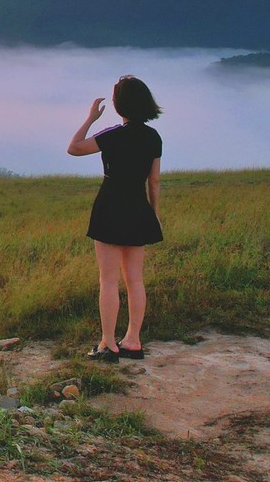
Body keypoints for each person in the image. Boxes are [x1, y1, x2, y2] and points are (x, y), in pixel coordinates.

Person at [66, 75, 163, 362]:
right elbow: (154, 181)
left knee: (108, 280)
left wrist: (90, 119)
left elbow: (74, 148)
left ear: (120, 106)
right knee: (135, 280)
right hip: (138, 206)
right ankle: (133, 340)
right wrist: (154, 215)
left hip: (110, 206)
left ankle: (108, 343)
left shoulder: (112, 135)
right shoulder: (153, 137)